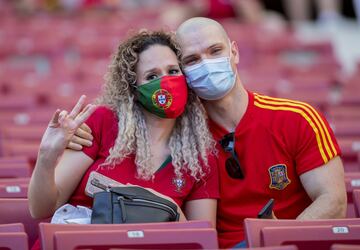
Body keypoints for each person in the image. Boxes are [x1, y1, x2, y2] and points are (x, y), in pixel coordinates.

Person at [70, 18, 347, 249]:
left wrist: (280, 240)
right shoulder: (179, 135)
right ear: (182, 74)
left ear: (234, 53)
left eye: (215, 51)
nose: (206, 63)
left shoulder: (296, 118)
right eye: (192, 59)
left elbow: (333, 202)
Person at [28, 30, 219, 249]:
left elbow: (200, 240)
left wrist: (169, 208)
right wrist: (46, 157)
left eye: (173, 71)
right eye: (151, 76)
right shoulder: (102, 122)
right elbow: (41, 209)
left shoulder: (201, 157)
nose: (165, 82)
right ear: (134, 89)